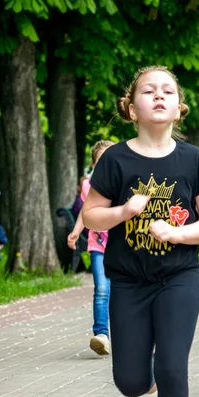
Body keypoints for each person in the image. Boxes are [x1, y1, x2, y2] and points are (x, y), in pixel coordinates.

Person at [81, 66, 199, 397]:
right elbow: (91, 214)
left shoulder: (193, 159)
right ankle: (147, 375)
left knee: (174, 367)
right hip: (128, 281)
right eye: (148, 90)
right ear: (132, 107)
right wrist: (124, 211)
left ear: (180, 107)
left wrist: (179, 233)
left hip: (178, 278)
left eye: (168, 91)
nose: (159, 96)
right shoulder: (115, 159)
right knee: (130, 383)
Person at [68, 140, 115, 355]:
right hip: (98, 245)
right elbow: (85, 211)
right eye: (101, 160)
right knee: (102, 290)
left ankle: (127, 334)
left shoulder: (124, 182)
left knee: (123, 292)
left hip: (123, 247)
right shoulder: (88, 186)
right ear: (94, 164)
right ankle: (101, 335)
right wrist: (77, 231)